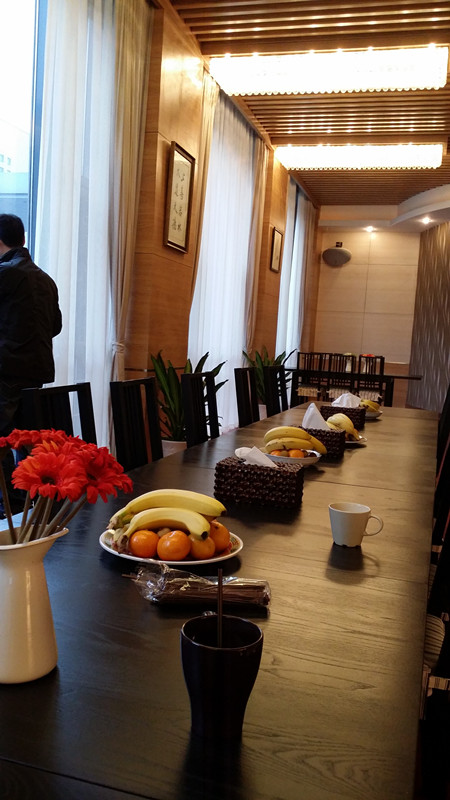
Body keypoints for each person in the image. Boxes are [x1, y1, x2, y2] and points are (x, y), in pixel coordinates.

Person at [0, 213, 62, 516]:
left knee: (2, 442)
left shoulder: (5, 273)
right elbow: (55, 326)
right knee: (28, 444)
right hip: (36, 375)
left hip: (6, 372)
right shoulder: (46, 279)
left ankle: (9, 508)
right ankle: (28, 505)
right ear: (22, 239)